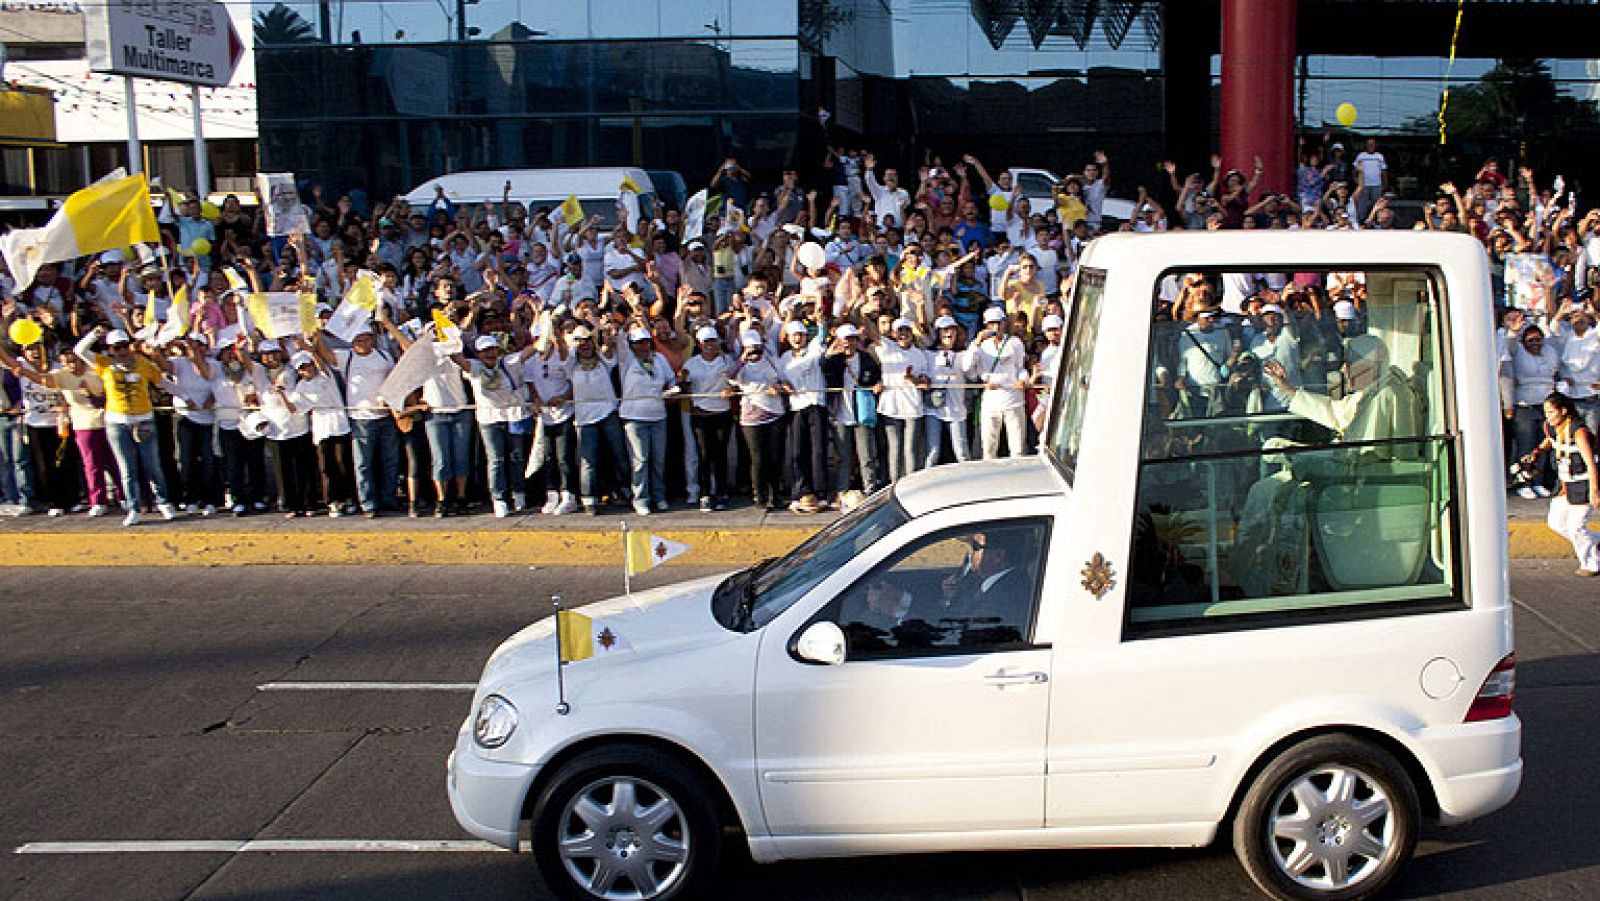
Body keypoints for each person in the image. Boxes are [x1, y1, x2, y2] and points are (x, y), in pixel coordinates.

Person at [316, 324, 400, 517]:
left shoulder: (384, 356)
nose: (363, 343)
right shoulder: (347, 357)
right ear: (352, 343)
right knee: (363, 464)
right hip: (360, 419)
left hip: (387, 417)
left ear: (373, 339)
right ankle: (368, 503)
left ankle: (389, 498)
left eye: (366, 339)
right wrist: (317, 334)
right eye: (358, 340)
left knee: (390, 461)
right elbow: (325, 354)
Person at [1520, 392, 1599, 576]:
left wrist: (1594, 491)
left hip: (1583, 484)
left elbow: (1590, 463)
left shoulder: (1579, 432)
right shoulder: (1551, 427)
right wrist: (1537, 452)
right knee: (1555, 522)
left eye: (1551, 412)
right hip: (1564, 484)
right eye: (1546, 412)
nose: (1548, 417)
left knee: (1576, 527)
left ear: (1563, 411)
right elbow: (1550, 441)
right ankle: (1594, 541)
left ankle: (1591, 563)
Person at [454, 334, 530, 518]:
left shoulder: (507, 362)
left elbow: (526, 353)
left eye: (493, 349)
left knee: (516, 457)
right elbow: (459, 361)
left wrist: (545, 331)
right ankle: (499, 499)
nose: (490, 354)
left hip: (512, 416)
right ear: (479, 354)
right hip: (488, 419)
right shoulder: (475, 367)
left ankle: (518, 494)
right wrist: (448, 341)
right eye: (485, 351)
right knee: (496, 460)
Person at [617, 325, 677, 516]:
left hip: (658, 415)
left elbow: (671, 380)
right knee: (640, 459)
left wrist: (671, 390)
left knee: (658, 459)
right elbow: (619, 341)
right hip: (634, 418)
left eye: (645, 342)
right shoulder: (626, 360)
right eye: (637, 344)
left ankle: (659, 496)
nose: (642, 347)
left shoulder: (659, 359)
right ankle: (640, 498)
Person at [777, 318, 829, 514]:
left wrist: (820, 315)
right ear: (789, 338)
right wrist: (784, 385)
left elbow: (822, 335)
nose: (798, 339)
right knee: (798, 451)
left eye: (801, 335)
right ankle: (800, 492)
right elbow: (780, 378)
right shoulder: (784, 359)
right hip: (797, 407)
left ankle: (821, 493)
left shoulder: (815, 349)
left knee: (818, 451)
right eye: (794, 335)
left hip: (816, 404)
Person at [681, 325, 735, 512]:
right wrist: (682, 381)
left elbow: (735, 380)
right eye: (706, 342)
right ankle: (705, 494)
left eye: (713, 341)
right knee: (704, 455)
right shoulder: (691, 364)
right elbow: (684, 385)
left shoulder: (726, 361)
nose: (710, 345)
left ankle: (721, 492)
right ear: (699, 344)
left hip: (722, 412)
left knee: (720, 455)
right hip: (701, 414)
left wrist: (731, 389)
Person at [970, 306, 1030, 458]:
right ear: (986, 325)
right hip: (991, 401)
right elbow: (967, 368)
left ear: (1004, 323)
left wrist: (1023, 380)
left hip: (1013, 400)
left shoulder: (1015, 343)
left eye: (999, 322)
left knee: (1017, 449)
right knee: (989, 449)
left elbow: (1021, 368)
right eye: (991, 324)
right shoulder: (980, 345)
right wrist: (976, 342)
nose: (996, 327)